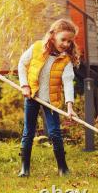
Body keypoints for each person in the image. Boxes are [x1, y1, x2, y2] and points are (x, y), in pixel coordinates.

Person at [17, 18, 80, 177]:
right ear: (53, 36)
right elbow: (22, 65)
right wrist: (24, 85)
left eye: (69, 41)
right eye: (63, 39)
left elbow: (67, 83)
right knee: (28, 131)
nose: (66, 44)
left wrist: (70, 107)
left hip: (51, 100)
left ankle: (63, 168)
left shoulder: (66, 60)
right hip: (32, 95)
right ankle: (25, 168)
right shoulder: (37, 48)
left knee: (55, 133)